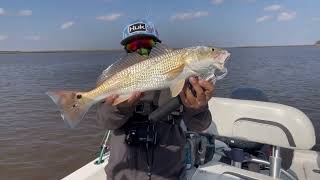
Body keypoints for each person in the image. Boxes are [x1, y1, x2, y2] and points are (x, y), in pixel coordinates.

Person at [96, 19, 215, 180]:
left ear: (158, 47)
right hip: (123, 174)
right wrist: (119, 108)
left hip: (169, 173)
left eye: (146, 44)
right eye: (133, 46)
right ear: (126, 51)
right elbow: (106, 122)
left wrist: (198, 108)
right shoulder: (118, 81)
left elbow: (200, 125)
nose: (141, 50)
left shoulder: (183, 79)